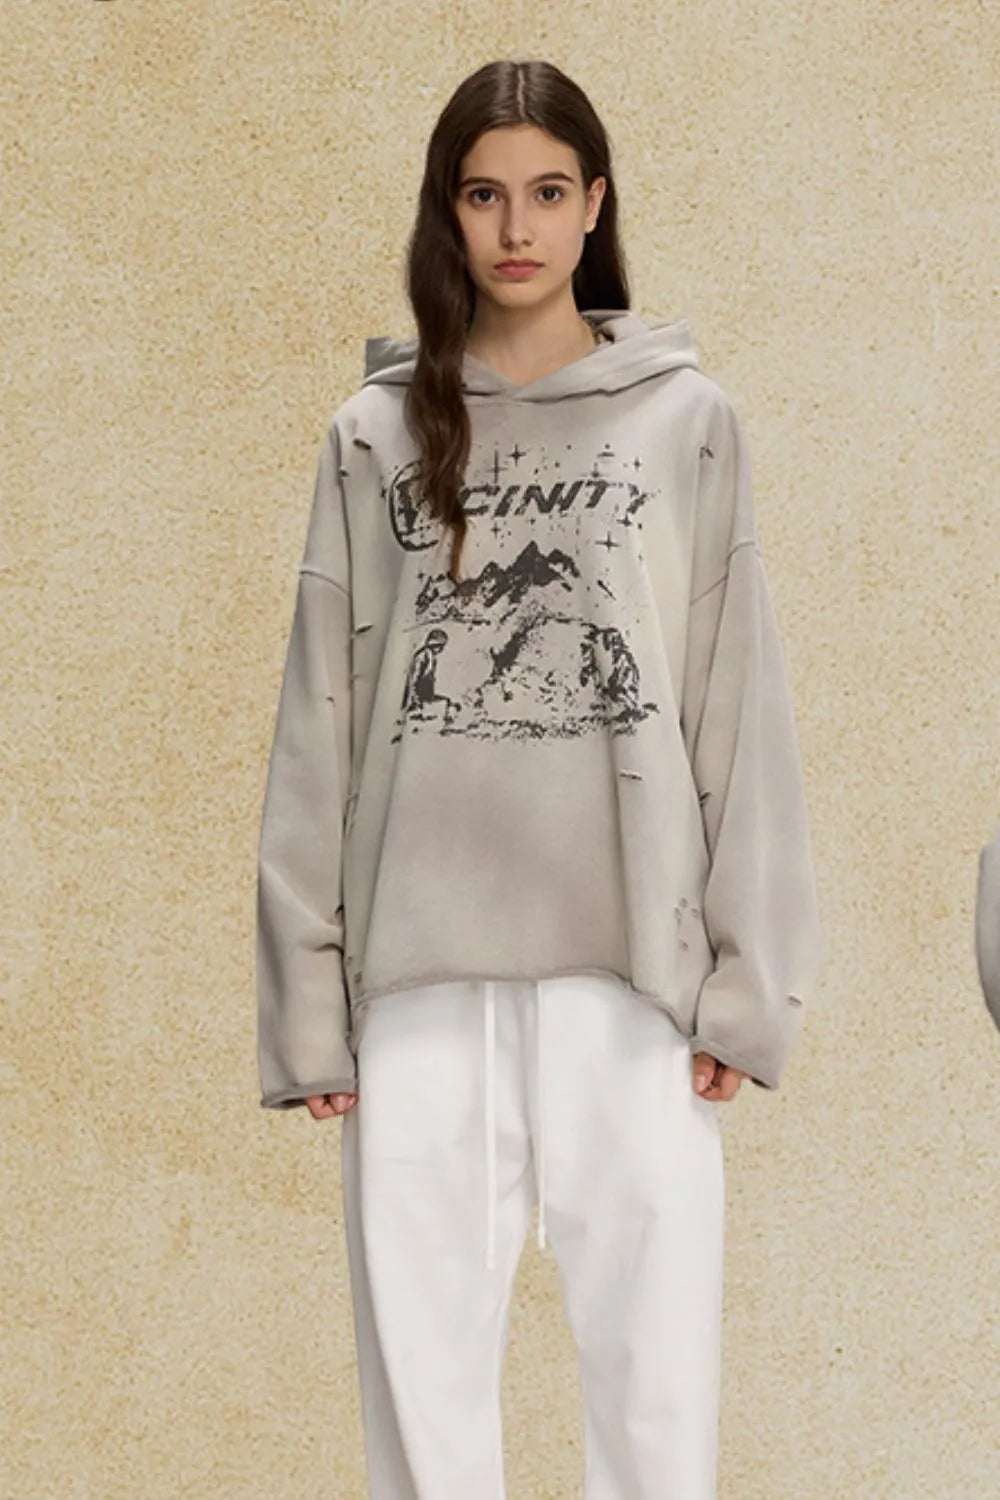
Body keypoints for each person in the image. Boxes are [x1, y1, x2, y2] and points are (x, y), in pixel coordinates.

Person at [255, 57, 825, 1500]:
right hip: (415, 985)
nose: (517, 227)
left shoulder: (686, 420)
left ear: (595, 205)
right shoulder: (374, 432)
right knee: (425, 1422)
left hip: (632, 979)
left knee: (656, 1408)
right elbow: (319, 724)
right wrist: (307, 1006)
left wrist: (751, 985)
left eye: (548, 192)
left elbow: (736, 706)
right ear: (446, 213)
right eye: (484, 194)